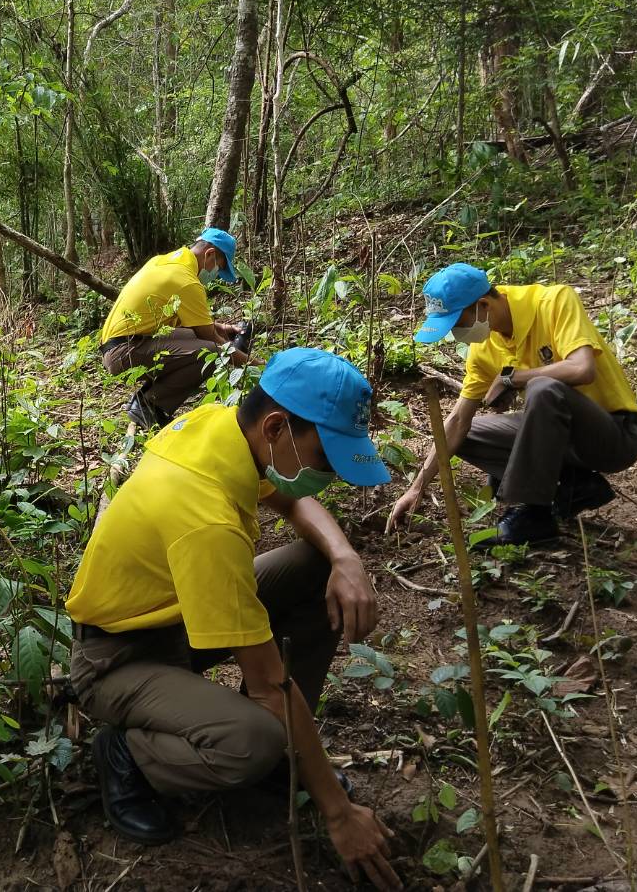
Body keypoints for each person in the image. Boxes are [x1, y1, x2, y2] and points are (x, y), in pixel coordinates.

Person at [66, 348, 399, 890]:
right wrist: (337, 813)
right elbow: (271, 684)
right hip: (118, 657)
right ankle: (127, 753)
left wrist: (345, 557)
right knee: (255, 739)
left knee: (315, 567)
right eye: (325, 459)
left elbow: (293, 504)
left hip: (175, 618)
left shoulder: (223, 425)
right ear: (276, 426)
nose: (329, 475)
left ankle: (281, 758)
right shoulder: (205, 520)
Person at [387, 262, 637, 546]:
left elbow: (582, 369)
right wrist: (417, 488)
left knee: (543, 388)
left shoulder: (553, 301)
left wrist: (513, 378)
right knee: (464, 435)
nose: (456, 335)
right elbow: (458, 420)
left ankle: (533, 514)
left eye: (458, 325)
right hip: (561, 443)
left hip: (612, 434)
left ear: (483, 305)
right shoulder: (483, 349)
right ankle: (572, 485)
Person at [98, 228, 253, 429]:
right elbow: (214, 341)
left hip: (121, 345)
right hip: (123, 351)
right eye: (219, 268)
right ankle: (150, 404)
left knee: (194, 339)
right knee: (212, 352)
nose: (215, 275)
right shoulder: (186, 281)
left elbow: (186, 322)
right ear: (210, 254)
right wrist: (254, 364)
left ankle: (147, 400)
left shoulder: (163, 262)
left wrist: (220, 327)